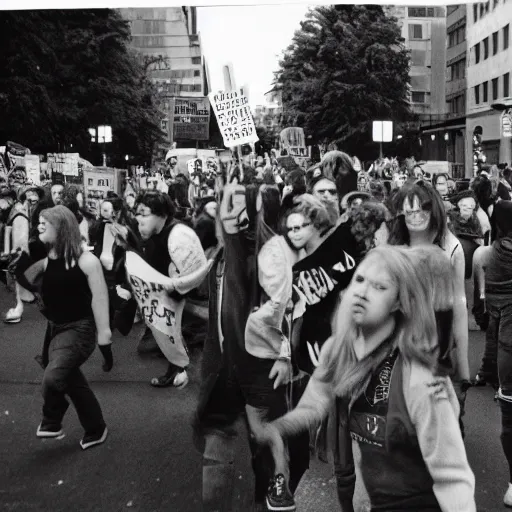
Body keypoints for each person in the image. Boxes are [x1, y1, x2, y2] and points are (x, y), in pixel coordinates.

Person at [252, 245, 476, 511]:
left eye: (380, 287)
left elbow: (452, 478)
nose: (360, 293)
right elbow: (314, 403)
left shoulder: (421, 377)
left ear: (400, 302)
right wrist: (277, 428)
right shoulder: (341, 349)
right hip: (364, 494)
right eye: (359, 279)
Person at [15, 205, 111, 449]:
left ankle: (52, 421)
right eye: (38, 222)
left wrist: (105, 338)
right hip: (54, 329)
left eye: (44, 223)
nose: (39, 226)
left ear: (61, 227)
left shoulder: (87, 261)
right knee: (71, 382)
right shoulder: (49, 259)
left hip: (80, 330)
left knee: (53, 377)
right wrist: (29, 248)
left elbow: (100, 299)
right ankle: (96, 427)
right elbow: (24, 277)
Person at [387, 180, 471, 399]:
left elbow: (459, 305)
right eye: (409, 211)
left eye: (421, 209)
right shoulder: (393, 246)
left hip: (439, 348)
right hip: (399, 351)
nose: (416, 216)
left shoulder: (450, 246)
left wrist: (464, 371)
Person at [133, 190, 207, 388]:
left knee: (164, 338)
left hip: (183, 298)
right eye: (137, 213)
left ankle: (180, 364)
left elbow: (194, 276)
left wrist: (172, 294)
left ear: (161, 214)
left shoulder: (178, 235)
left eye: (144, 213)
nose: (139, 218)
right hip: (166, 296)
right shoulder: (155, 232)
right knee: (152, 343)